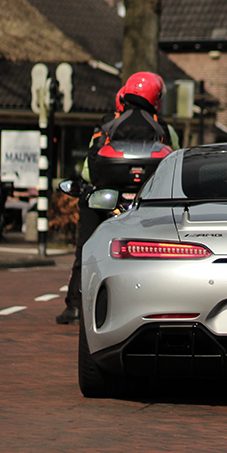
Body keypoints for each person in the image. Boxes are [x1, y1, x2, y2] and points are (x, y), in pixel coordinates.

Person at [57, 72, 179, 325]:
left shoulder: (106, 124)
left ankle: (75, 306)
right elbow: (175, 163)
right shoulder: (164, 129)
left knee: (87, 250)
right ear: (156, 98)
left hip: (106, 198)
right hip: (148, 201)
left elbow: (88, 171)